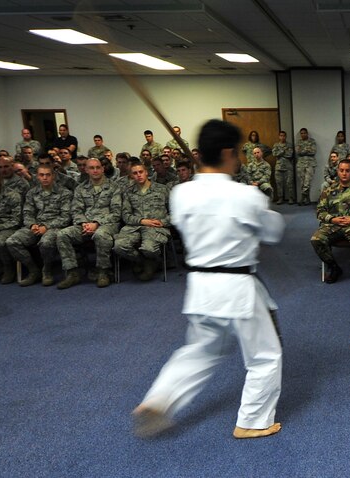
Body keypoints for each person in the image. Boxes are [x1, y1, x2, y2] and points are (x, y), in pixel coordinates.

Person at [132, 119, 284, 440]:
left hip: (200, 287)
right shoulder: (245, 196)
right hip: (238, 287)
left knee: (201, 349)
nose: (240, 157)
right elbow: (273, 233)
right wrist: (261, 205)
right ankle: (253, 421)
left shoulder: (181, 194)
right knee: (265, 356)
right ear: (228, 152)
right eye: (239, 151)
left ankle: (160, 399)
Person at [56, 158, 122, 289]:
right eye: (92, 168)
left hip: (107, 224)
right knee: (62, 234)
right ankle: (72, 273)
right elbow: (76, 210)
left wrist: (97, 223)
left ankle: (103, 272)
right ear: (86, 170)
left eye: (98, 167)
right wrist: (84, 223)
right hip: (84, 225)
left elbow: (116, 212)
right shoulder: (80, 189)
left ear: (103, 169)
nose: (95, 170)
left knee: (100, 234)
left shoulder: (114, 187)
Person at [6, 164, 73, 287]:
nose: (45, 178)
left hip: (55, 226)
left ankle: (46, 270)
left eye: (48, 175)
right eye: (42, 175)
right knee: (12, 241)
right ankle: (33, 270)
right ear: (37, 176)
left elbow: (65, 217)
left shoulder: (65, 193)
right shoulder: (32, 193)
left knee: (46, 242)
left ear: (53, 176)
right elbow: (27, 212)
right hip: (35, 226)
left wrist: (46, 226)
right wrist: (32, 225)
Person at [311, 159, 350, 284]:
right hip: (333, 225)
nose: (344, 173)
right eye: (341, 170)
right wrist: (332, 219)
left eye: (347, 170)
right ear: (337, 172)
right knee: (316, 240)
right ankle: (334, 268)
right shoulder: (328, 191)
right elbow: (320, 211)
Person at [115, 162, 170, 281]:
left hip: (156, 226)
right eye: (135, 173)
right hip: (134, 226)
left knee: (149, 248)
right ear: (131, 175)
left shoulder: (162, 189)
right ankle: (145, 261)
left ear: (146, 173)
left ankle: (150, 262)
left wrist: (164, 222)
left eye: (141, 172)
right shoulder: (128, 192)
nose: (138, 175)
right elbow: (126, 215)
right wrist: (142, 221)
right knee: (119, 246)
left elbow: (174, 211)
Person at [295, 127, 317, 205]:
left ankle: (303, 197)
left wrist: (303, 151)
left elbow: (313, 151)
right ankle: (307, 199)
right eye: (302, 133)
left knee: (307, 182)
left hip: (310, 164)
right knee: (302, 182)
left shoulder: (312, 141)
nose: (303, 134)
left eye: (304, 133)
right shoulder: (299, 142)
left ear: (307, 133)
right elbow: (298, 152)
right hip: (300, 164)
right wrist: (307, 150)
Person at [272, 131, 295, 205]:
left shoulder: (289, 145)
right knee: (279, 183)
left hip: (288, 167)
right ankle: (280, 198)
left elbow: (290, 154)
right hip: (279, 167)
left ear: (286, 136)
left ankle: (291, 198)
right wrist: (283, 151)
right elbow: (274, 154)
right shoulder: (276, 145)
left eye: (284, 136)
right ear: (279, 136)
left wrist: (280, 154)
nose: (282, 137)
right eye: (281, 135)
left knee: (289, 183)